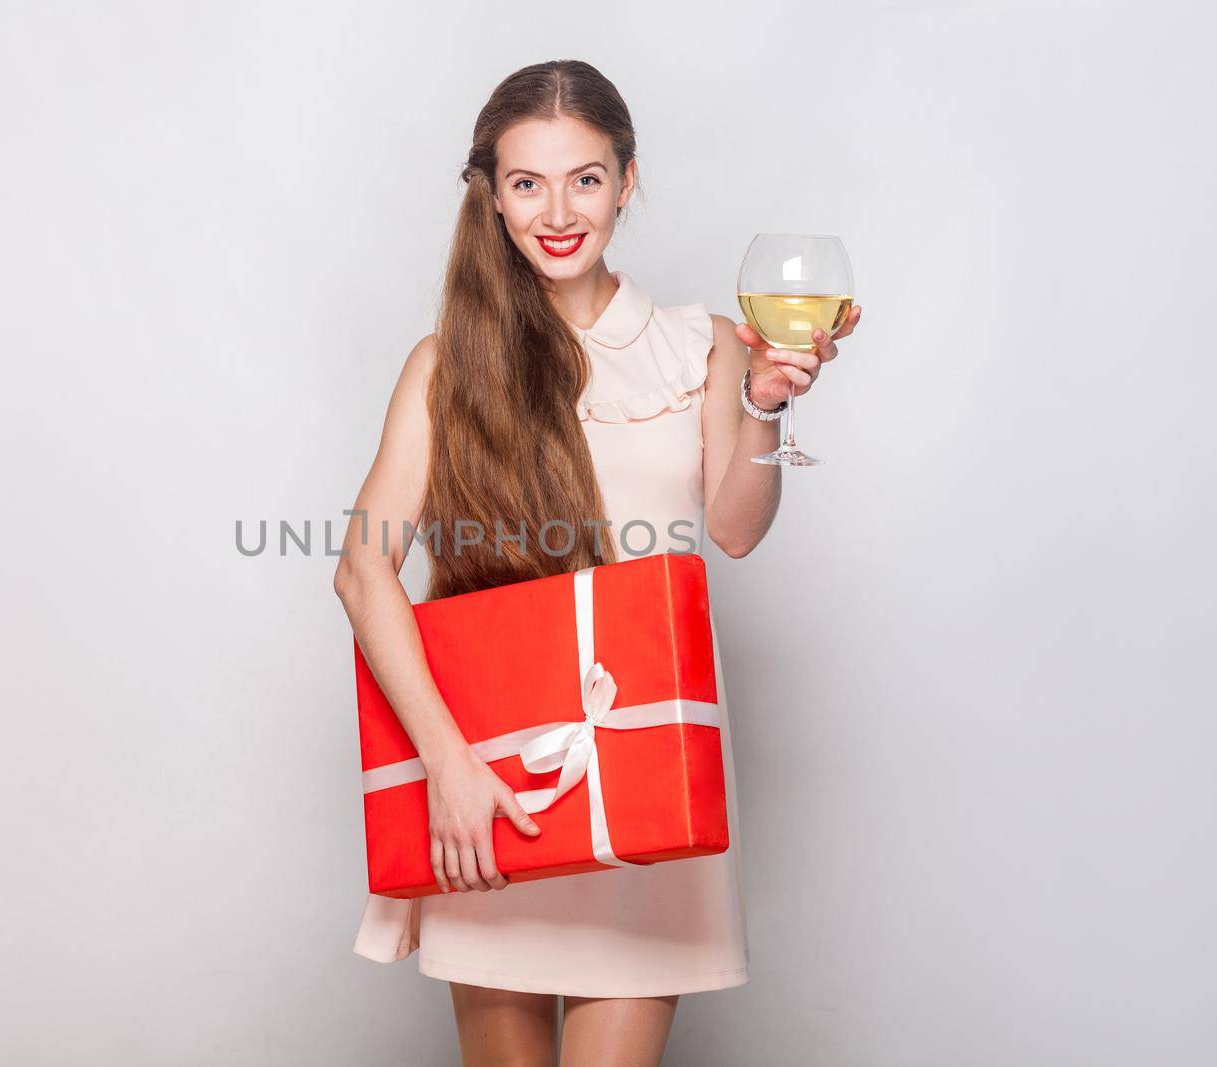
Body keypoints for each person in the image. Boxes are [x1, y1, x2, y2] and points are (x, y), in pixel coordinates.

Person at [333, 59, 862, 1066]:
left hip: (645, 768)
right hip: (493, 780)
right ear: (490, 194)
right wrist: (450, 767)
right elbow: (361, 572)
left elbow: (738, 528)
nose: (557, 210)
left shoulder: (699, 346)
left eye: (584, 177)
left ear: (627, 181)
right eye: (526, 182)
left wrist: (763, 401)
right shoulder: (448, 362)